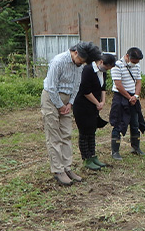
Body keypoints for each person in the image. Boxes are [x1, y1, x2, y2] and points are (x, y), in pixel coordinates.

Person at [41, 42, 101, 186]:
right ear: (74, 52)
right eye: (81, 60)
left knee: (66, 135)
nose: (82, 63)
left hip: (67, 102)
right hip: (51, 98)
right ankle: (58, 170)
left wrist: (70, 103)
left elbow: (76, 86)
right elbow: (51, 86)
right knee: (54, 136)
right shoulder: (59, 61)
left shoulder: (79, 66)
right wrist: (60, 105)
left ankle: (67, 168)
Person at [73, 53, 116, 170]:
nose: (106, 70)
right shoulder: (87, 70)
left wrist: (103, 101)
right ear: (101, 62)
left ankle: (93, 156)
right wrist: (97, 103)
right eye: (106, 68)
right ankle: (86, 159)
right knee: (84, 133)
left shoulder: (102, 72)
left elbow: (103, 88)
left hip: (94, 106)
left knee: (92, 132)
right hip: (82, 105)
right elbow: (85, 90)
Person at [109, 47, 145, 160]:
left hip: (133, 98)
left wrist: (135, 96)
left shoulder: (137, 66)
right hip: (121, 97)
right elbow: (118, 84)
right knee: (119, 123)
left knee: (135, 123)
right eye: (134, 61)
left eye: (137, 62)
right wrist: (129, 97)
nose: (135, 64)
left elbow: (138, 82)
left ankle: (136, 147)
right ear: (127, 56)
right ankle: (115, 151)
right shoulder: (117, 65)